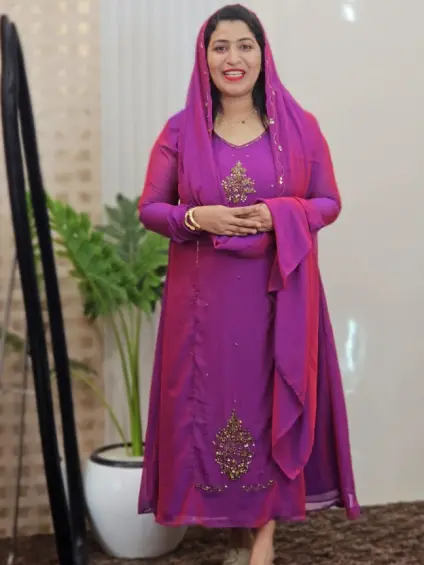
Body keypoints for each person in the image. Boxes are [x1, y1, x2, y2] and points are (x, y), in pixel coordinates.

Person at [137, 5, 359, 565]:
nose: (232, 58)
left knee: (268, 407)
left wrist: (278, 212)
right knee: (214, 409)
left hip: (276, 300)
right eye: (220, 47)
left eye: (244, 46)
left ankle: (261, 540)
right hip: (204, 310)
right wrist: (197, 217)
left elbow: (328, 202)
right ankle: (238, 534)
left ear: (263, 54)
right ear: (204, 57)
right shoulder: (180, 131)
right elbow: (151, 208)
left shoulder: (300, 127)